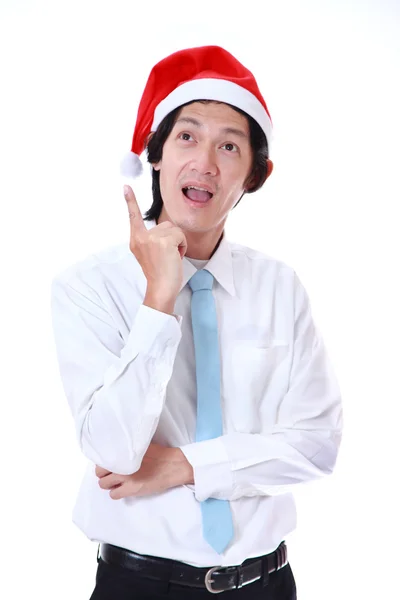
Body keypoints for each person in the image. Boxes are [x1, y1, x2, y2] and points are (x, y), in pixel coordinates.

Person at [50, 45, 343, 599]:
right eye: (187, 137)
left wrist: (185, 465)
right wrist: (158, 300)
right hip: (136, 585)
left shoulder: (280, 288)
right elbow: (113, 452)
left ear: (256, 174)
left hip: (267, 584)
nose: (205, 162)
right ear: (155, 155)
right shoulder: (87, 286)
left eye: (228, 146)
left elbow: (316, 446)